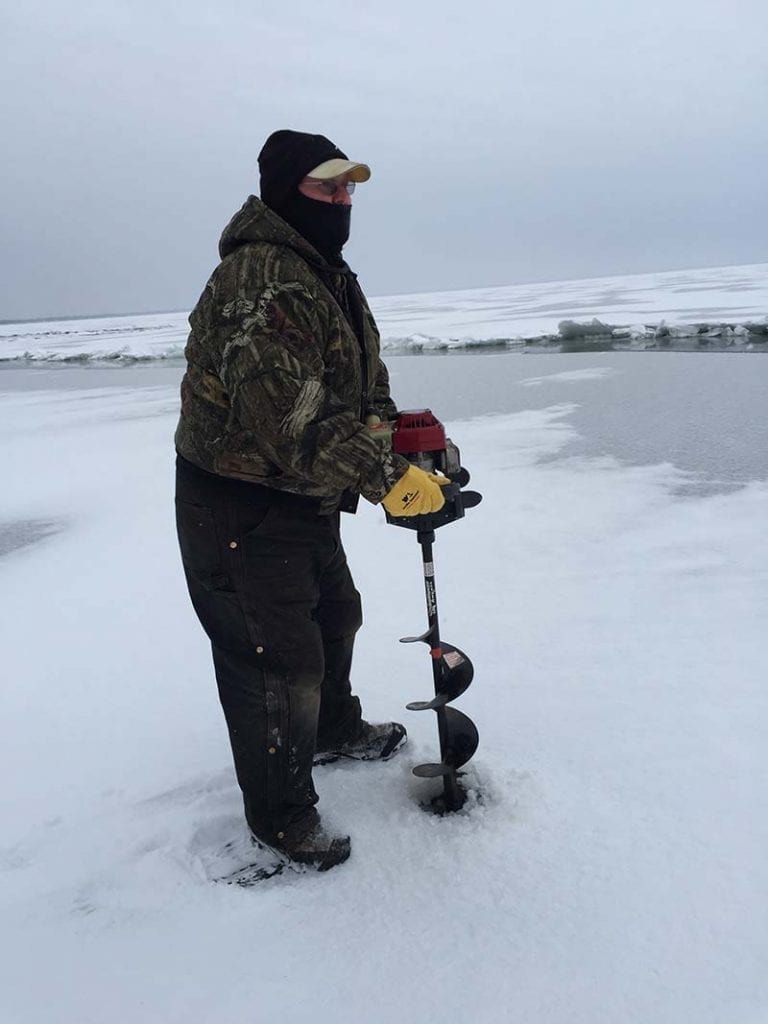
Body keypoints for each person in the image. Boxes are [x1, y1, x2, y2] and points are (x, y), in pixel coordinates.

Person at [174, 129, 448, 872]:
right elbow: (290, 421)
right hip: (240, 502)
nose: (342, 199)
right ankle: (282, 819)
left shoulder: (325, 271)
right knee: (276, 661)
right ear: (284, 192)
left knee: (333, 615)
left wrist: (401, 446)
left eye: (348, 186)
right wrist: (389, 482)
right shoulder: (259, 281)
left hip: (305, 493)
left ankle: (330, 731)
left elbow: (363, 385)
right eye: (326, 186)